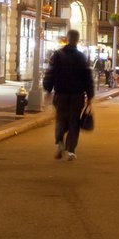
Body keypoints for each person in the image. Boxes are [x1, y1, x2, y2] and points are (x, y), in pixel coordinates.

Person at [42, 30, 94, 161]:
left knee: (60, 119)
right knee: (74, 122)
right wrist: (90, 95)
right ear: (77, 40)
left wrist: (48, 89)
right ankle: (71, 150)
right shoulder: (81, 57)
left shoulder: (57, 55)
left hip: (61, 94)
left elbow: (50, 73)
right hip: (77, 95)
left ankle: (59, 142)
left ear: (68, 39)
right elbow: (88, 77)